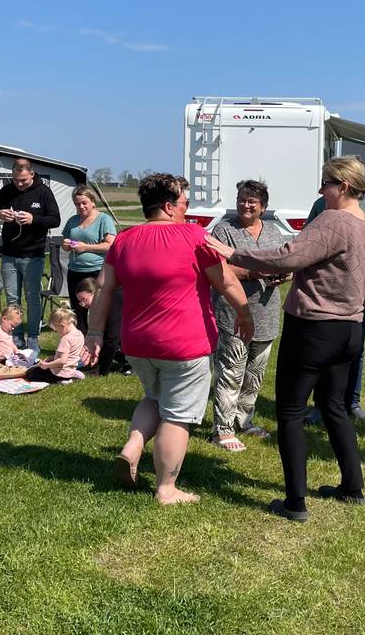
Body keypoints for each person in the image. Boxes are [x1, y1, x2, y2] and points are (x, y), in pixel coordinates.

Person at [205, 157, 365, 522]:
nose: (321, 190)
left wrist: (233, 252)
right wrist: (349, 305)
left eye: (326, 183)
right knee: (335, 408)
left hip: (313, 330)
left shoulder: (332, 221)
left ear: (344, 187)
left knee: (289, 411)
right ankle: (353, 488)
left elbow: (291, 257)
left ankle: (295, 503)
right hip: (349, 330)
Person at [82, 173, 253, 506]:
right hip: (184, 344)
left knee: (154, 398)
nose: (187, 207)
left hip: (137, 344)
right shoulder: (193, 235)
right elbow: (227, 282)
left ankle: (133, 446)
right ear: (168, 205)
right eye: (184, 202)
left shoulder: (124, 240)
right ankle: (166, 488)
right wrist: (245, 314)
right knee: (178, 415)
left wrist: (94, 333)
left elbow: (103, 288)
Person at [301, 184, 365, 426]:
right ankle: (322, 405)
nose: (321, 189)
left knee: (356, 349)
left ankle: (352, 402)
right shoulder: (321, 206)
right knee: (324, 351)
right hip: (330, 295)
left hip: (360, 295)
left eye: (327, 182)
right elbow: (308, 242)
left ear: (344, 182)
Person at [209, 180, 287, 451]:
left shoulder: (274, 232)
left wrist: (284, 275)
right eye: (241, 199)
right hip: (232, 312)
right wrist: (254, 273)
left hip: (266, 312)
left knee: (254, 373)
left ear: (262, 206)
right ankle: (222, 429)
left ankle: (244, 421)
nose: (245, 205)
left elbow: (283, 262)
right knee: (230, 372)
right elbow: (218, 269)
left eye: (251, 201)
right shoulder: (223, 230)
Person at [0, 157, 62, 354]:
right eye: (16, 180)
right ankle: (16, 336)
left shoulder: (43, 192)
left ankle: (33, 337)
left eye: (24, 181)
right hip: (9, 254)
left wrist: (33, 219)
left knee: (32, 297)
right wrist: (0, 214)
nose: (19, 184)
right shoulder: (7, 191)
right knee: (12, 299)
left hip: (33, 255)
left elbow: (55, 219)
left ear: (32, 174)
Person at [61, 185, 117, 330]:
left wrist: (86, 247)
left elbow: (110, 246)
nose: (81, 206)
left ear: (93, 201)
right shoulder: (73, 220)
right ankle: (80, 343)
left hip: (97, 272)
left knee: (100, 308)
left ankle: (103, 343)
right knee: (78, 310)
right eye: (77, 204)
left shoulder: (104, 219)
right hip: (75, 271)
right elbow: (64, 240)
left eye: (84, 203)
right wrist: (66, 245)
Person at [75, 277, 127, 375]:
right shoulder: (99, 308)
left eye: (84, 299)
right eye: (80, 301)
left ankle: (132, 364)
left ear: (96, 293)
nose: (82, 304)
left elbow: (112, 339)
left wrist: (102, 371)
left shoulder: (113, 302)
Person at [24, 308, 85, 384]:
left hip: (59, 373)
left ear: (62, 326)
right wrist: (53, 357)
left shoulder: (66, 339)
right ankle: (72, 373)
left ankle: (63, 380)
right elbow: (70, 355)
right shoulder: (79, 334)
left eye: (56, 329)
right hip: (70, 368)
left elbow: (62, 361)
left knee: (30, 373)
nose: (56, 332)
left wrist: (47, 365)